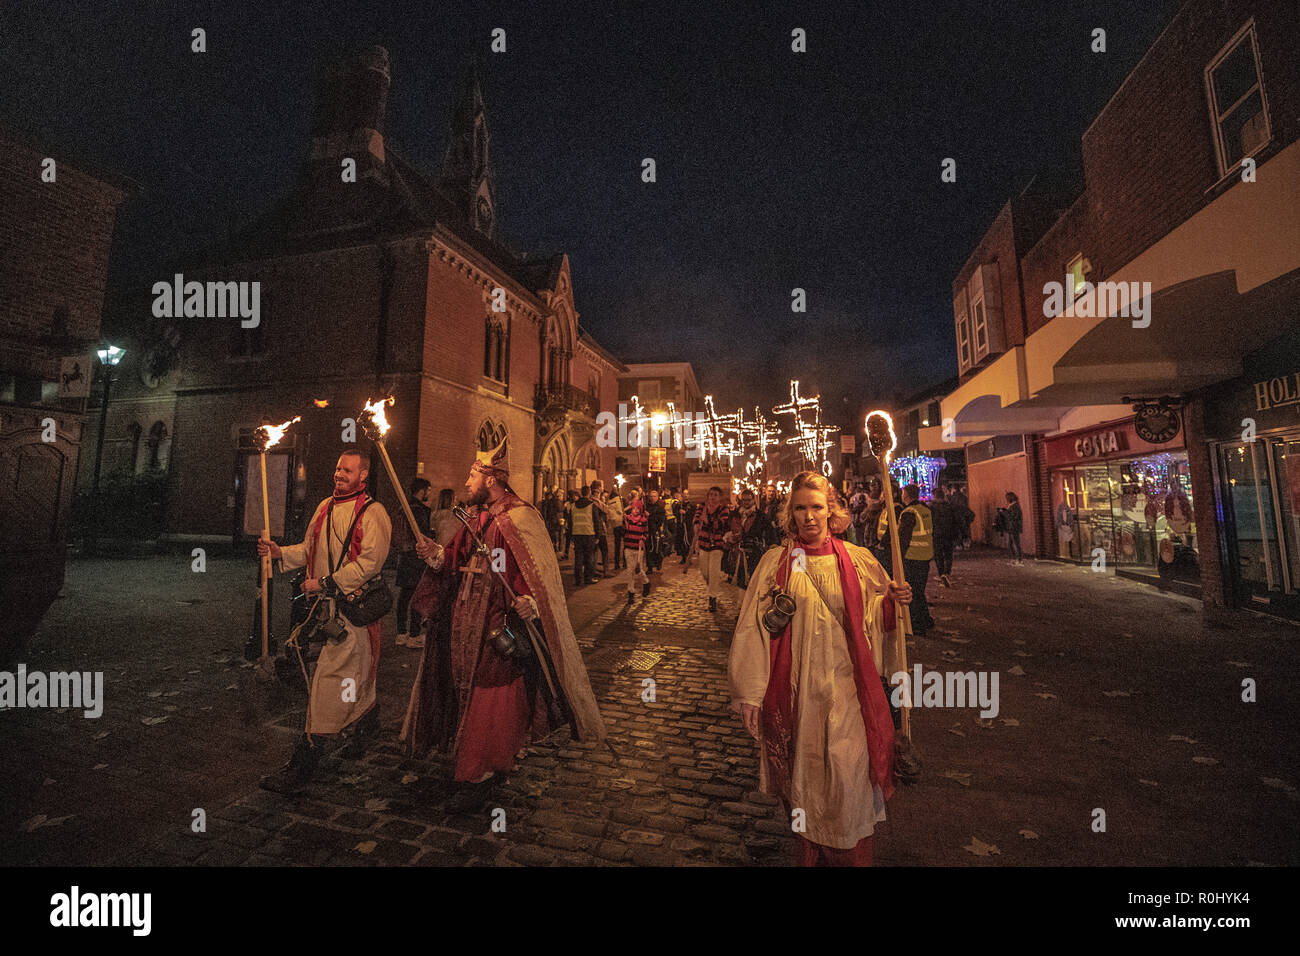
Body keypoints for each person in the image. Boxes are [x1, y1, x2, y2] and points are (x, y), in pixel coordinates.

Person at [401, 438, 606, 811]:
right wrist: (434, 553)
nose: (467, 481)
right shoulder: (477, 518)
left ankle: (479, 772)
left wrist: (530, 600)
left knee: (491, 695)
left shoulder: (519, 516)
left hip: (498, 622)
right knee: (467, 691)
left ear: (491, 479)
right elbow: (452, 559)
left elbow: (538, 572)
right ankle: (480, 764)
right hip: (464, 620)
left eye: (473, 475)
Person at [729, 471, 912, 867]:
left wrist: (894, 603)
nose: (809, 516)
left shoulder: (859, 562)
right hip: (797, 692)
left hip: (848, 690)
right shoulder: (774, 564)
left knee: (847, 776)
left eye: (816, 507)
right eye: (800, 508)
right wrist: (749, 691)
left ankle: (849, 855)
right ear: (789, 513)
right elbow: (753, 628)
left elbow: (877, 623)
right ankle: (811, 853)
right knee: (805, 777)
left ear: (832, 510)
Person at [258, 450, 392, 793]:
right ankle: (367, 726)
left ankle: (304, 762)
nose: (339, 474)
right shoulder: (324, 507)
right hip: (325, 611)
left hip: (353, 613)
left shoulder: (373, 513)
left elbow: (370, 563)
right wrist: (279, 553)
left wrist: (326, 583)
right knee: (353, 680)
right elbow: (308, 549)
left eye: (347, 470)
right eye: (337, 468)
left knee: (328, 684)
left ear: (363, 476)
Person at [394, 477, 434, 648]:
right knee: (418, 595)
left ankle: (401, 633)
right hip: (416, 558)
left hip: (404, 556)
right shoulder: (419, 510)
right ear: (422, 490)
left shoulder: (403, 507)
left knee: (404, 596)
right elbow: (422, 534)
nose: (429, 494)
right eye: (428, 490)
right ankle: (414, 635)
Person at [894, 483, 935, 634]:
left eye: (903, 493)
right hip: (925, 556)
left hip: (912, 556)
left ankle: (917, 625)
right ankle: (926, 619)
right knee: (919, 590)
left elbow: (904, 538)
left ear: (906, 495)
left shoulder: (909, 513)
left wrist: (899, 555)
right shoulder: (925, 510)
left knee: (913, 592)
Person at [726, 488, 776, 590]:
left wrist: (772, 545)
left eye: (748, 500)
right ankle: (742, 604)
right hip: (738, 552)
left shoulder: (761, 516)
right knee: (740, 581)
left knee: (753, 579)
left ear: (753, 500)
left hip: (755, 552)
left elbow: (770, 532)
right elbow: (727, 528)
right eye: (744, 500)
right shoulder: (735, 514)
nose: (746, 502)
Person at [693, 486, 732, 613]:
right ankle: (713, 586)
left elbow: (721, 523)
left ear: (719, 497)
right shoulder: (702, 507)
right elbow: (696, 520)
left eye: (715, 495)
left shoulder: (724, 508)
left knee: (713, 571)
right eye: (711, 494)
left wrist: (708, 521)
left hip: (717, 544)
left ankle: (712, 598)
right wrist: (697, 524)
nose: (712, 497)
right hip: (704, 543)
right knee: (705, 572)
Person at [622, 492, 650, 601]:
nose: (635, 511)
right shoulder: (627, 518)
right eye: (634, 509)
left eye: (637, 509)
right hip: (628, 547)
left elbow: (646, 533)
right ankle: (631, 592)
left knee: (639, 569)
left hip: (638, 548)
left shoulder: (643, 520)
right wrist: (624, 522)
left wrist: (643, 540)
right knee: (630, 570)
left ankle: (646, 582)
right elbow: (623, 531)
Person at [929, 485, 958, 588]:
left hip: (937, 534)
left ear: (935, 496)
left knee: (938, 555)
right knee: (948, 554)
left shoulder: (931, 508)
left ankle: (941, 573)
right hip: (948, 533)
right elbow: (955, 520)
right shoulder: (949, 507)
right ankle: (947, 572)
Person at [570, 485, 599, 586]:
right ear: (589, 493)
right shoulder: (592, 505)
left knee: (578, 558)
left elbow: (570, 522)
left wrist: (570, 537)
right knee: (589, 557)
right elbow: (596, 521)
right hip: (589, 534)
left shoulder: (573, 506)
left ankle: (578, 580)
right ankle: (588, 578)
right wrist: (598, 535)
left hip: (577, 534)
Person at [644, 489, 667, 573]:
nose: (653, 498)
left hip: (657, 530)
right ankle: (649, 566)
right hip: (648, 531)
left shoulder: (660, 508)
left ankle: (658, 563)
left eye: (654, 496)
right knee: (649, 548)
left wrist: (650, 516)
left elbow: (660, 520)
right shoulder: (647, 507)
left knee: (658, 548)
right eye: (651, 496)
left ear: (657, 497)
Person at [607, 490, 626, 570]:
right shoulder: (617, 499)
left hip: (614, 524)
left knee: (617, 545)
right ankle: (625, 563)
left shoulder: (609, 501)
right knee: (625, 544)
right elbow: (619, 510)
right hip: (620, 523)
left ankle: (616, 564)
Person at [950, 484, 973, 549]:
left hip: (957, 516)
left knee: (958, 531)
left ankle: (959, 544)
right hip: (964, 516)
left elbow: (951, 506)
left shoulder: (953, 498)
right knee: (965, 531)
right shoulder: (964, 497)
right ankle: (966, 544)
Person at [1006, 491, 1025, 565]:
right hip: (1012, 527)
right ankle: (1015, 558)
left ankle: (1019, 559)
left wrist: (1006, 514)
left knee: (1016, 543)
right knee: (1011, 544)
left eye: (1007, 497)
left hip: (1014, 527)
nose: (1007, 499)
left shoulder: (1015, 506)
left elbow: (1014, 516)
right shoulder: (1012, 505)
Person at [677, 489, 696, 564]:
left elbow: (693, 513)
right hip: (681, 525)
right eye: (684, 494)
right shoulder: (680, 504)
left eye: (687, 494)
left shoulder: (692, 504)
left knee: (688, 541)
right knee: (682, 541)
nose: (685, 495)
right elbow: (676, 512)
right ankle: (683, 557)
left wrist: (686, 513)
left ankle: (689, 557)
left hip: (689, 525)